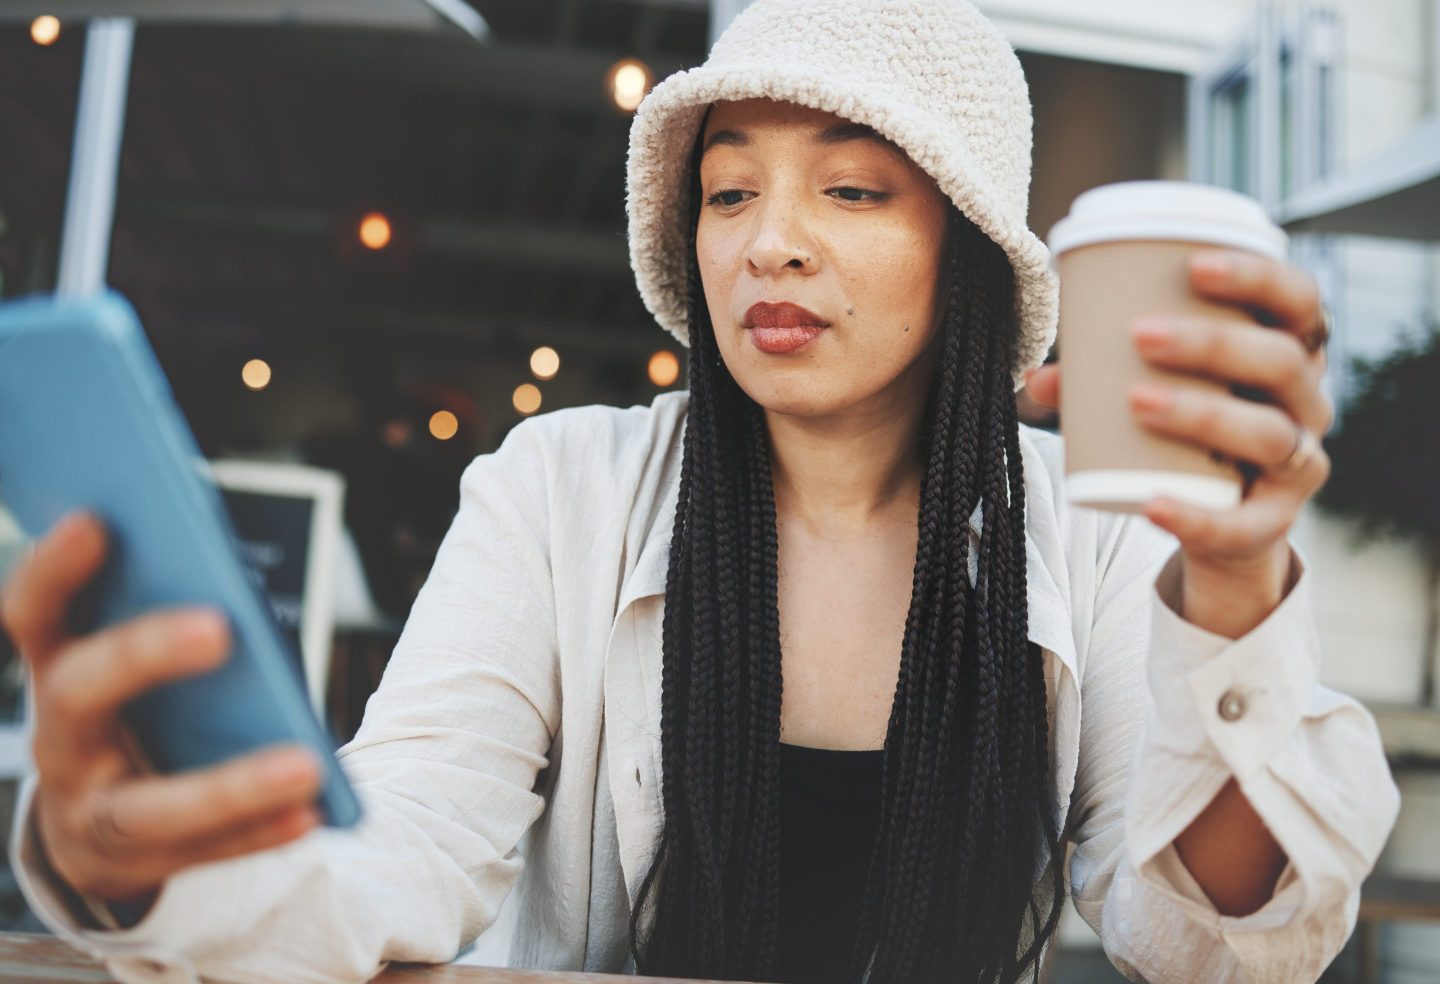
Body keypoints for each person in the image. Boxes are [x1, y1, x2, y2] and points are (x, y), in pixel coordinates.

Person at [1, 2, 1399, 982]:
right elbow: (408, 837)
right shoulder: (561, 488)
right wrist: (162, 865)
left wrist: (1235, 590)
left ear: (967, 248)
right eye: (730, 195)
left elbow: (1214, 947)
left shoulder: (1089, 534)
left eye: (851, 191)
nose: (769, 243)